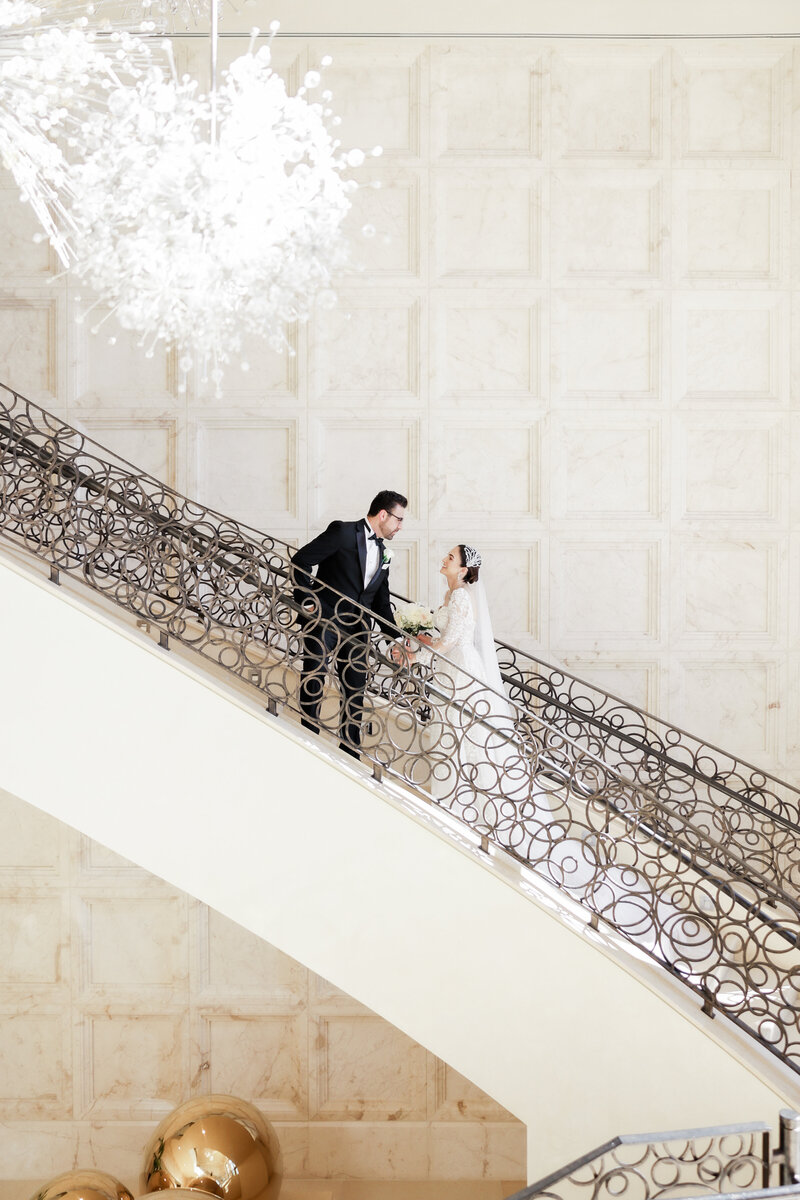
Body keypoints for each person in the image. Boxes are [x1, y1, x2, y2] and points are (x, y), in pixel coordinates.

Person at [402, 544, 548, 835]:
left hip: (460, 668)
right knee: (450, 727)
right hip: (450, 666)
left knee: (460, 729)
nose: (444, 559)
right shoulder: (451, 595)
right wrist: (420, 640)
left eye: (451, 558)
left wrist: (416, 658)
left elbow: (452, 641)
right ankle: (451, 796)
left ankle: (463, 804)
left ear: (464, 569)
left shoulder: (459, 596)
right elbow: (444, 638)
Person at [290, 490, 406, 757]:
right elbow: (301, 561)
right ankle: (307, 737)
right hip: (325, 620)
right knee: (315, 675)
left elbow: (381, 604)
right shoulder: (343, 532)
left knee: (355, 689)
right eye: (398, 520)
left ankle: (350, 751)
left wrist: (395, 640)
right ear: (383, 514)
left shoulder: (384, 553)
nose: (400, 527)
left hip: (358, 631)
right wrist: (308, 602)